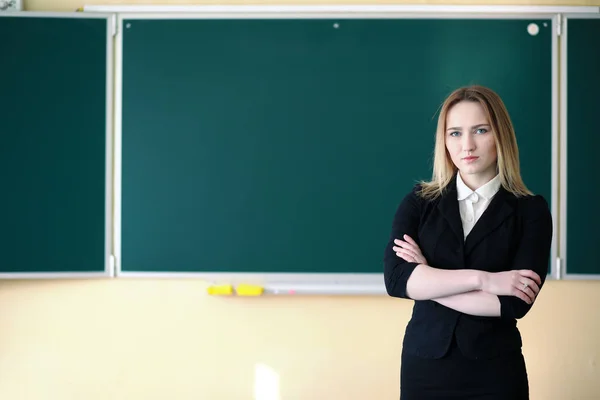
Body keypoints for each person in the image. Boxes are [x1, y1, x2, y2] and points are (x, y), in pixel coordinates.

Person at [383, 85, 553, 400]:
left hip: (495, 372)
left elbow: (513, 303)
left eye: (480, 130)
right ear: (444, 141)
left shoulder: (531, 210)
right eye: (455, 133)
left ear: (500, 134)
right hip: (425, 370)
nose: (468, 145)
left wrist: (428, 275)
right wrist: (485, 280)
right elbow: (397, 281)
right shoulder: (419, 203)